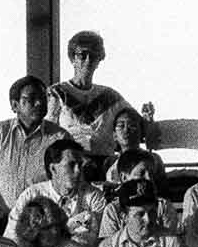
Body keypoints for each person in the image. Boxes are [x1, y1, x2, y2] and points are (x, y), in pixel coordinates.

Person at [0, 75, 64, 220]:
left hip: (44, 224)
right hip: (4, 220)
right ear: (15, 106)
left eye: (43, 97)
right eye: (31, 98)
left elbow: (70, 183)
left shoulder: (60, 138)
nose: (39, 103)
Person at [50, 30, 142, 158]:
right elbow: (46, 134)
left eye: (93, 56)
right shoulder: (57, 93)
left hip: (105, 166)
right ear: (73, 58)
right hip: (71, 166)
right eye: (82, 55)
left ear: (99, 59)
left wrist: (147, 118)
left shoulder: (111, 97)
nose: (88, 60)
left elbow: (137, 123)